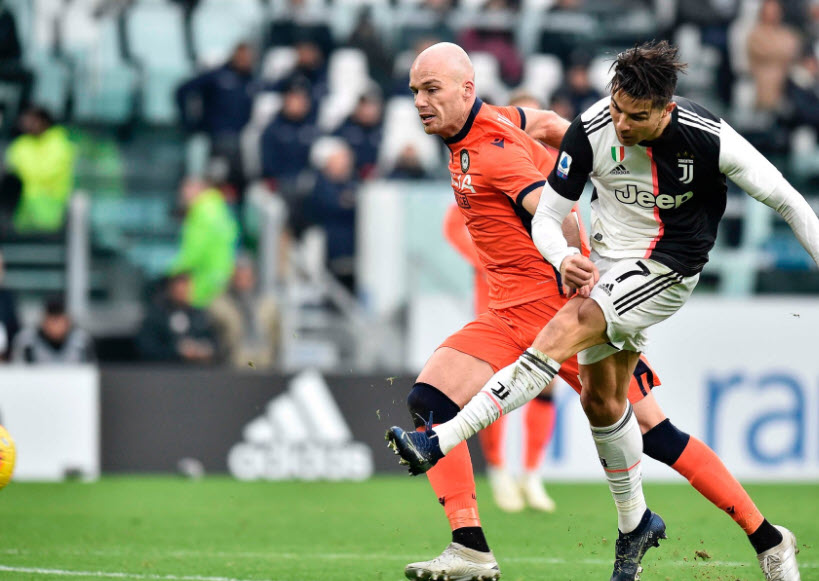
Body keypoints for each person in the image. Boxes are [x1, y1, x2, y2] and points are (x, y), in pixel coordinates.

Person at [385, 42, 805, 581]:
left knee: (654, 433)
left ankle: (766, 536)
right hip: (505, 311)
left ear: (466, 89)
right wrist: (578, 141)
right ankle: (470, 546)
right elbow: (539, 120)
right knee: (428, 396)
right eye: (416, 91)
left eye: (431, 90)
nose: (420, 101)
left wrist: (573, 259)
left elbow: (549, 208)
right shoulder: (486, 122)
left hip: (558, 309)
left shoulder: (493, 151)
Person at [443, 202, 559, 513]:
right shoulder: (487, 169)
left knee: (546, 381)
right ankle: (498, 470)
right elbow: (454, 227)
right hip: (497, 299)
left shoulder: (541, 171)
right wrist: (488, 259)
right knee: (498, 381)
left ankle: (532, 474)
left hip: (540, 294)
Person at [169, 177, 239, 309]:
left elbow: (193, 252)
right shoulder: (219, 208)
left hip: (203, 284)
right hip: (220, 279)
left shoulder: (201, 212)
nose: (183, 197)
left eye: (186, 190)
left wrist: (172, 272)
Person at [4, 106, 75, 234]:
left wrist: (21, 169)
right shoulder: (22, 143)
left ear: (43, 121)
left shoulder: (59, 143)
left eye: (31, 120)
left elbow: (43, 172)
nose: (26, 124)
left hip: (50, 215)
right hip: (24, 214)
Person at [209, 255, 279, 369]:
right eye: (238, 277)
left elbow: (276, 336)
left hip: (264, 363)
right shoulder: (220, 305)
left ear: (254, 278)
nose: (242, 281)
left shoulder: (268, 305)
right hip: (234, 364)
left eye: (246, 277)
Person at [137, 272, 219, 363]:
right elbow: (147, 348)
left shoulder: (200, 316)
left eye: (186, 289)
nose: (182, 293)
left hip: (198, 372)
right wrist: (176, 351)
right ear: (170, 289)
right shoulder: (156, 316)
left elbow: (214, 343)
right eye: (178, 290)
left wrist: (202, 350)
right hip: (164, 371)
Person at [12, 297, 95, 363]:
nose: (55, 325)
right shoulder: (27, 342)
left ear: (68, 321)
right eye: (52, 320)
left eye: (59, 320)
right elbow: (17, 372)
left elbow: (90, 372)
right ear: (43, 320)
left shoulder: (81, 342)